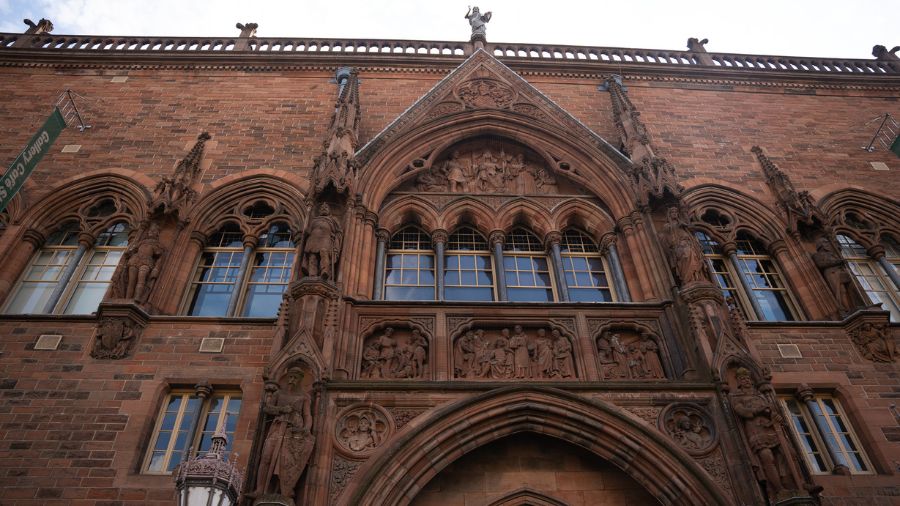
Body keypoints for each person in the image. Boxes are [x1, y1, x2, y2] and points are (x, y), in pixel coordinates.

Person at [252, 367, 314, 501]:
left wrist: (306, 428)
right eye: (290, 377)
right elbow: (267, 408)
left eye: (295, 378)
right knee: (266, 456)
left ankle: (284, 490)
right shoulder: (278, 394)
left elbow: (307, 415)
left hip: (293, 430)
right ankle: (260, 489)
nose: (291, 380)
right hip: (278, 425)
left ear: (299, 380)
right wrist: (281, 409)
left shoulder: (304, 397)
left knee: (286, 460)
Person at [301, 202, 341, 280]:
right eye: (322, 208)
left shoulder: (333, 220)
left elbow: (339, 231)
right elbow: (309, 230)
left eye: (326, 208)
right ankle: (312, 274)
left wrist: (336, 240)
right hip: (313, 239)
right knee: (312, 256)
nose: (324, 209)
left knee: (324, 252)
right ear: (319, 211)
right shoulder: (314, 220)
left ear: (329, 210)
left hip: (326, 239)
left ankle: (325, 271)